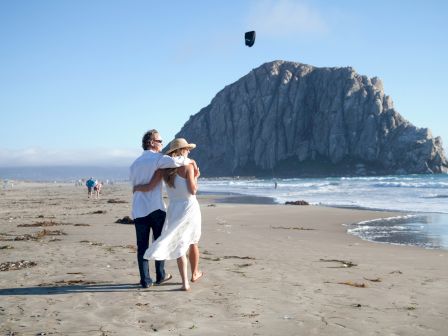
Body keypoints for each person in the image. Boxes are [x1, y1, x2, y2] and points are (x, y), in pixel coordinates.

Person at [130, 130, 198, 289]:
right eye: (160, 141)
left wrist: (139, 187)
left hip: (138, 209)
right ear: (151, 142)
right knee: (159, 241)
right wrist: (193, 162)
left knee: (142, 246)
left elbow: (134, 185)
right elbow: (179, 161)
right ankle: (160, 275)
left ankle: (146, 280)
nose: (162, 143)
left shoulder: (134, 164)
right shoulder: (159, 159)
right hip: (155, 208)